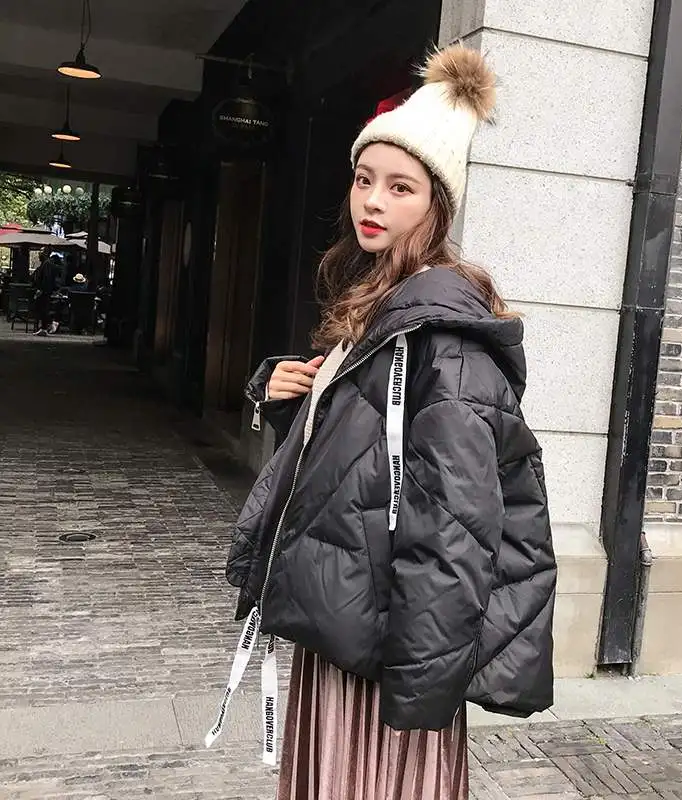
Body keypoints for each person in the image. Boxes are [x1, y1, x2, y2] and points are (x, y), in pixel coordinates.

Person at [211, 44, 556, 799]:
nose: (372, 201)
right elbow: (361, 473)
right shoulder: (378, 308)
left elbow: (456, 526)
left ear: (436, 207)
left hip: (384, 651)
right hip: (346, 624)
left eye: (400, 187)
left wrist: (418, 689)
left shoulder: (444, 340)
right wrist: (296, 404)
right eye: (365, 179)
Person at [30, 249, 59, 336]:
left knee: (43, 309)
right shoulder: (45, 264)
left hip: (44, 291)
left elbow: (46, 278)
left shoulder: (47, 264)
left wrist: (41, 289)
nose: (39, 256)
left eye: (40, 254)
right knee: (41, 309)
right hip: (44, 290)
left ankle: (49, 324)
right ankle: (44, 327)